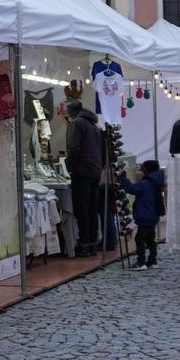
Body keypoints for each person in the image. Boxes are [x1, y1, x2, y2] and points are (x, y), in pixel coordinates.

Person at [65, 99, 103, 257]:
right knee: (92, 209)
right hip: (95, 171)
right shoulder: (94, 126)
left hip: (82, 171)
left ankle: (84, 243)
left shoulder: (77, 123)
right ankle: (93, 242)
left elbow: (73, 146)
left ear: (73, 111)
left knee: (82, 209)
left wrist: (70, 167)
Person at [119, 159, 165, 271]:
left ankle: (141, 262)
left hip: (145, 216)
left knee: (139, 238)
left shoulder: (146, 183)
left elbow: (131, 188)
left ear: (147, 170)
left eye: (142, 169)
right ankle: (152, 261)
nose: (140, 171)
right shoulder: (156, 180)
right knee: (150, 239)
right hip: (153, 216)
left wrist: (123, 178)